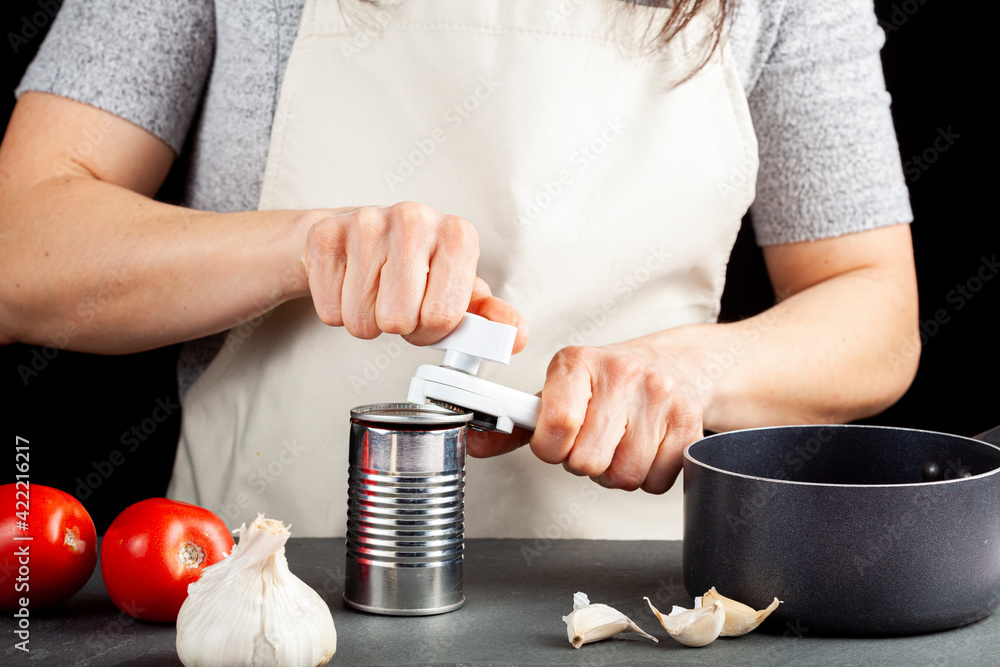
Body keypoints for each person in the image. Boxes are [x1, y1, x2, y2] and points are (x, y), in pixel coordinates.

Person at [0, 0, 918, 538]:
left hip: (631, 608)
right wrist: (306, 247)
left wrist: (699, 374)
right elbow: (21, 243)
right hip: (256, 592)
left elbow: (874, 305)